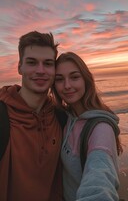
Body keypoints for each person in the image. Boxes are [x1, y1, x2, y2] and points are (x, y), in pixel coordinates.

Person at [0, 31, 63, 201]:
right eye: (32, 62)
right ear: (20, 67)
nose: (41, 71)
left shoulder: (60, 116)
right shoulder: (3, 117)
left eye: (48, 63)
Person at [52, 52, 123, 201]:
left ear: (86, 79)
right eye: (59, 79)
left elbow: (99, 177)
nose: (67, 85)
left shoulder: (100, 129)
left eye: (74, 77)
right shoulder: (67, 117)